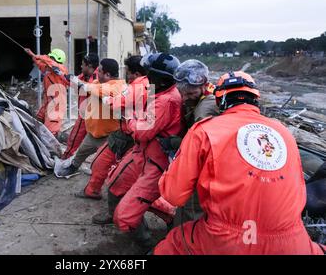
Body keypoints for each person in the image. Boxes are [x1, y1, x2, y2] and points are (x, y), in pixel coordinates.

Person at [154, 71, 326, 255]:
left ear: (219, 100)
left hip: (229, 239)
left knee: (170, 245)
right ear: (256, 99)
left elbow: (173, 195)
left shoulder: (204, 130)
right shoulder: (283, 133)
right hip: (294, 241)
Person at [94, 53, 184, 248]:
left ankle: (148, 245)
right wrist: (136, 118)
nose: (144, 76)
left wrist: (131, 119)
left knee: (124, 216)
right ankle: (154, 225)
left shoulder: (165, 100)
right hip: (143, 153)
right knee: (115, 184)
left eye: (148, 73)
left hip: (155, 161)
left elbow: (142, 131)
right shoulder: (158, 92)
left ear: (157, 77)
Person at [150, 59, 219, 226]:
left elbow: (202, 147)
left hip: (206, 168)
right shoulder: (199, 97)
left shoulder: (205, 109)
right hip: (203, 164)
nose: (185, 98)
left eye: (190, 94)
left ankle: (185, 241)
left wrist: (175, 142)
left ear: (204, 85)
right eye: (183, 93)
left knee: (191, 208)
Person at [74, 55, 149, 200]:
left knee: (120, 176)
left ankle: (135, 206)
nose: (126, 74)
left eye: (128, 71)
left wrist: (112, 103)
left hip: (129, 137)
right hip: (119, 134)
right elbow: (95, 87)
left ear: (136, 74)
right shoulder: (139, 85)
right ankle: (93, 191)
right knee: (99, 164)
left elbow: (115, 98)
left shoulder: (131, 87)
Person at [55, 58, 126, 178]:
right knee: (81, 153)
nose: (96, 73)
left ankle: (112, 179)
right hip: (93, 133)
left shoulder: (118, 87)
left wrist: (76, 81)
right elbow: (87, 86)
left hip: (110, 137)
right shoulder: (97, 83)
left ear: (107, 74)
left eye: (100, 71)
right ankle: (73, 167)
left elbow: (96, 90)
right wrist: (66, 77)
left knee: (105, 163)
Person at [62, 53, 99, 159]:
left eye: (83, 65)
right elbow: (73, 82)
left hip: (91, 115)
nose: (81, 67)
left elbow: (91, 88)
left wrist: (76, 81)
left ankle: (66, 158)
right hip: (87, 114)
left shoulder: (97, 78)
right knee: (76, 138)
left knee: (75, 137)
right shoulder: (84, 76)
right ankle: (69, 157)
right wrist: (65, 77)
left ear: (90, 66)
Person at [25, 48, 68, 137]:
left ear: (57, 60)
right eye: (50, 57)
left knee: (50, 133)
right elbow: (39, 62)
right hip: (48, 102)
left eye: (52, 58)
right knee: (38, 119)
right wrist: (32, 54)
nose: (50, 59)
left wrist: (39, 56)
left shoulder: (61, 69)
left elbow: (49, 62)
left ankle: (53, 147)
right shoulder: (48, 69)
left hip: (57, 105)